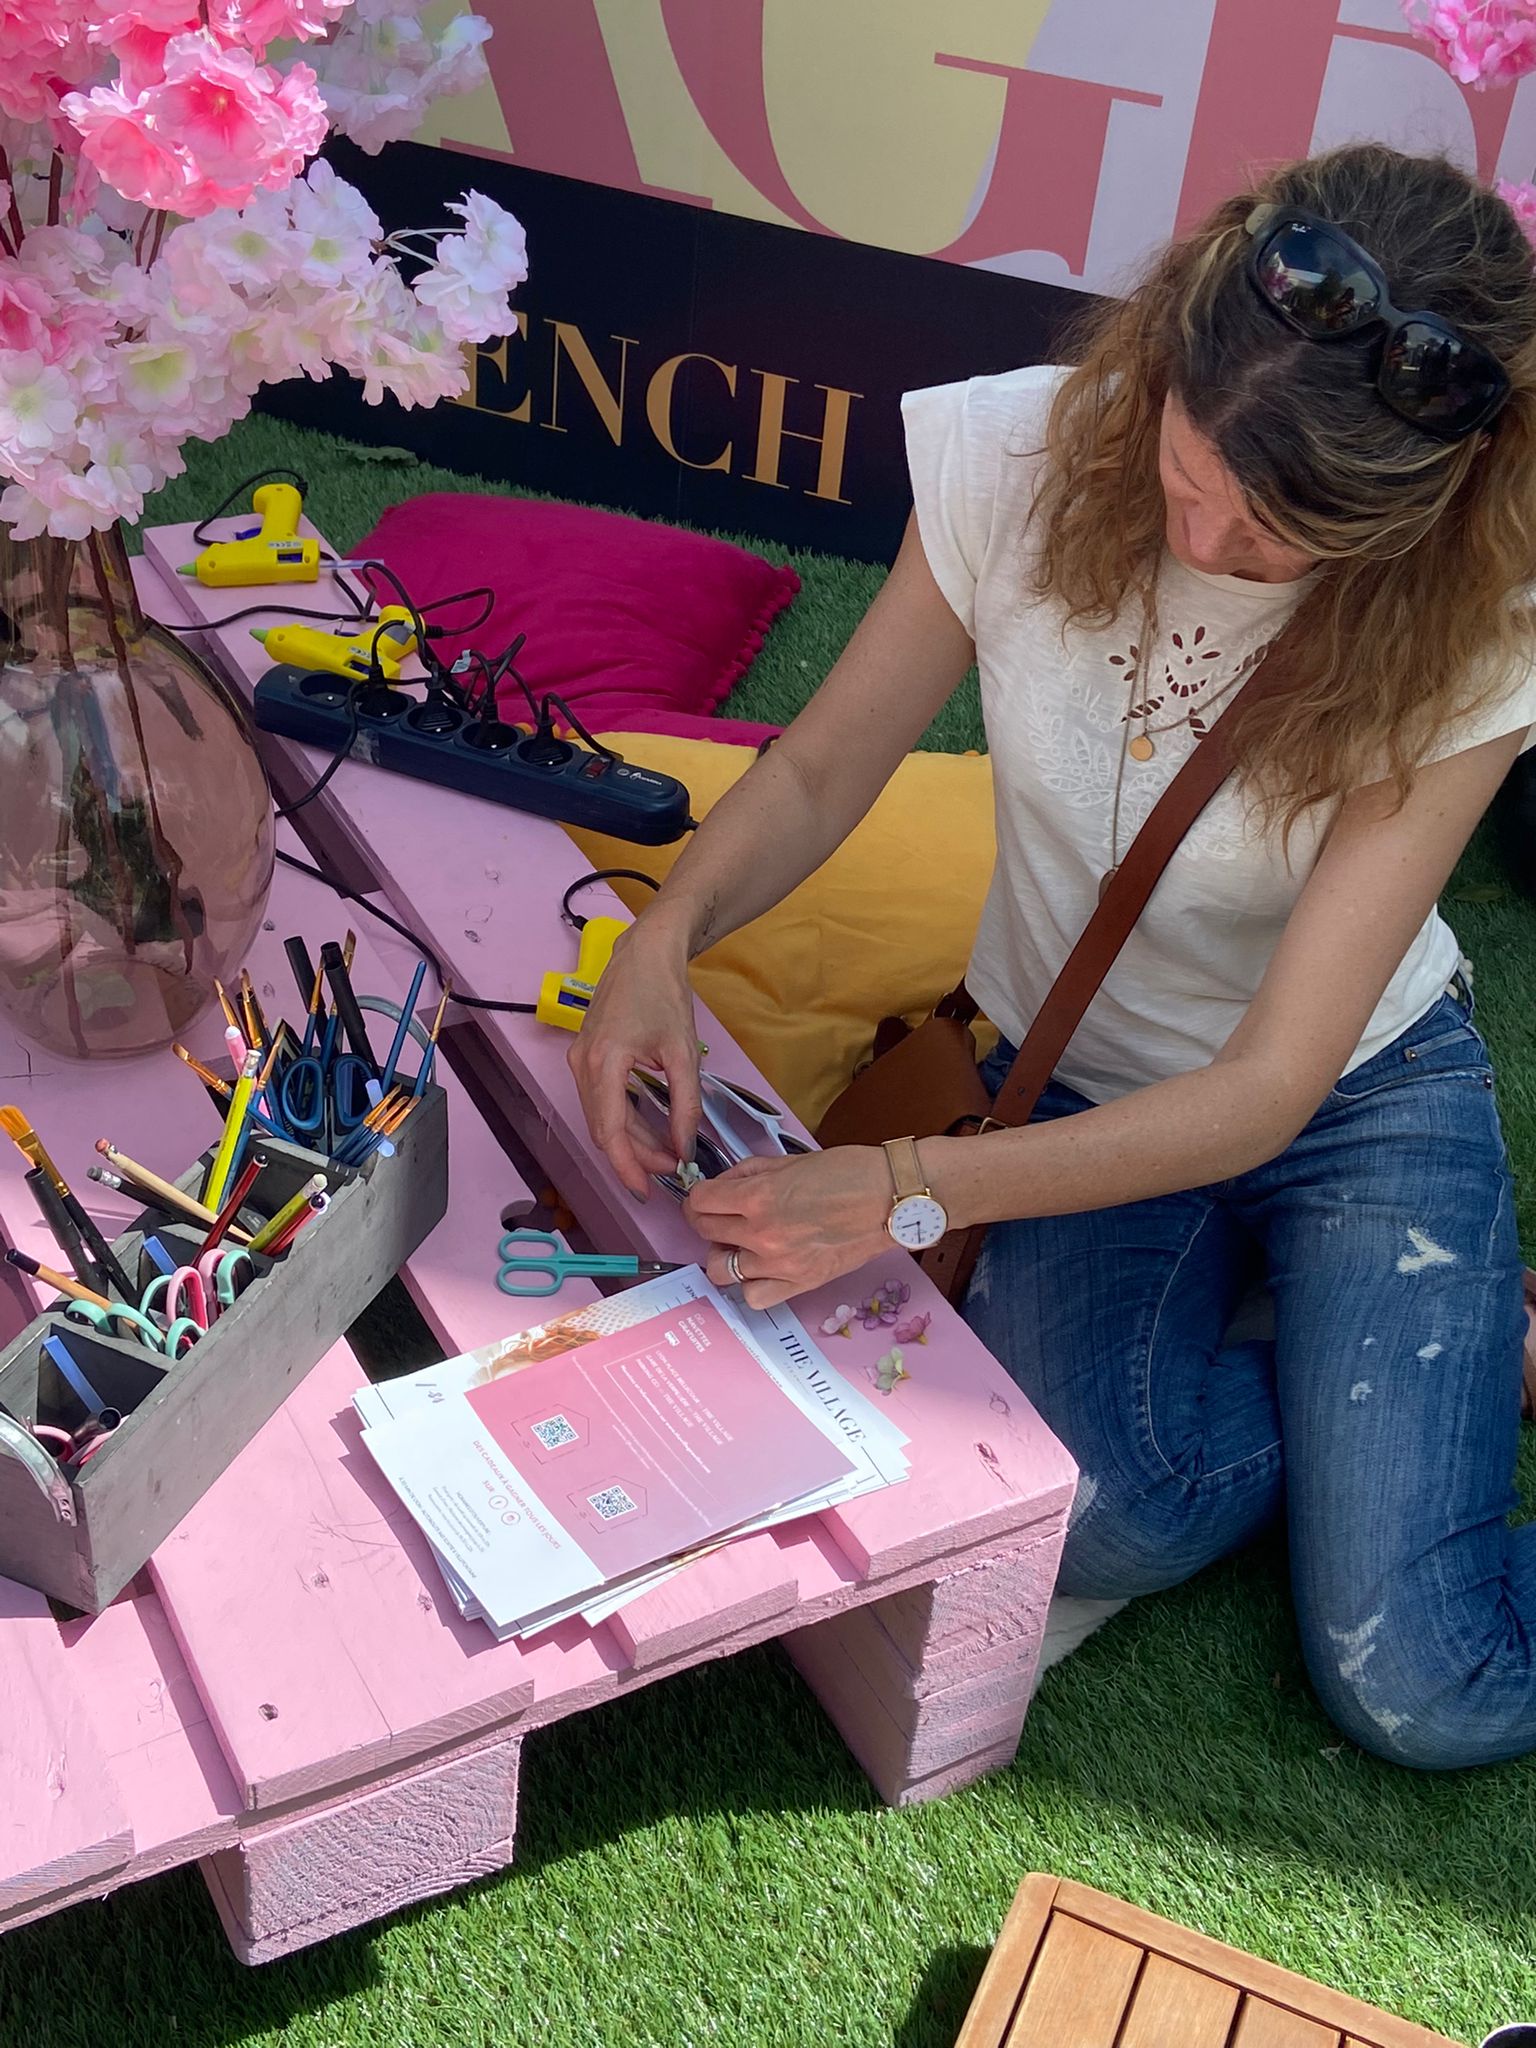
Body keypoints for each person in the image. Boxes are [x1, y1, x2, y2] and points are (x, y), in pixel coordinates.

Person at [570, 144, 1536, 1771]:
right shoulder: (1014, 447)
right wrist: (662, 935)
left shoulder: (1478, 615)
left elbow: (1270, 1087)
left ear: (1408, 518)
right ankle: (1400, 1356)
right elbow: (819, 771)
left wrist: (899, 1188)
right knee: (1095, 1509)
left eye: (1277, 534)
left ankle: (1414, 1343)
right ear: (1166, 357)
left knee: (1425, 1689)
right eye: (1192, 470)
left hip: (1354, 1095)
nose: (1207, 536)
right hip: (1073, 1072)